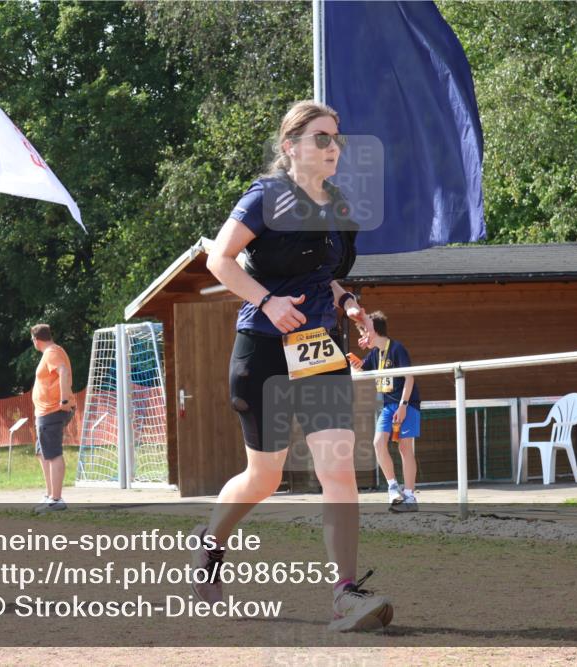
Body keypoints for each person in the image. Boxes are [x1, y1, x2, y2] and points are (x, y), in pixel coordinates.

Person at [197, 100, 393, 632]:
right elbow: (218, 259)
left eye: (337, 138)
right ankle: (209, 545)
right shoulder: (266, 197)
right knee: (264, 476)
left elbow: (327, 277)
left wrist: (351, 307)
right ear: (291, 148)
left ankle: (345, 593)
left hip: (318, 351)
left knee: (337, 469)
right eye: (322, 138)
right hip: (262, 348)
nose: (334, 148)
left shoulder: (340, 206)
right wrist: (267, 301)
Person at [349, 311, 421, 512]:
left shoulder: (397, 349)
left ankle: (410, 495)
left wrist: (403, 406)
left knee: (405, 448)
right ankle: (393, 488)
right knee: (378, 443)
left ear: (374, 331)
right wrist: (352, 365)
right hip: (388, 406)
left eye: (364, 332)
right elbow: (362, 372)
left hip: (406, 404)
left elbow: (409, 377)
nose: (362, 337)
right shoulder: (374, 354)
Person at [30, 323, 75, 512]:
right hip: (45, 412)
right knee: (42, 452)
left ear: (36, 340)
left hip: (52, 411)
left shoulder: (51, 352)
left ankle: (56, 499)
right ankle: (50, 495)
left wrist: (64, 399)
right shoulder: (52, 351)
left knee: (53, 453)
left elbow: (63, 371)